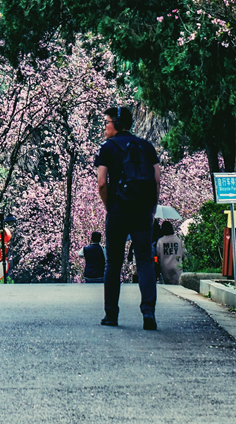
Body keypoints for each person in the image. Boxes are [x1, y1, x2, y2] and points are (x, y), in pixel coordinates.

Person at [94, 104, 159, 330]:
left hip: (118, 211)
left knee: (113, 263)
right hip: (142, 210)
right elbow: (156, 180)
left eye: (107, 122)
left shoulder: (107, 148)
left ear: (117, 125)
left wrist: (109, 205)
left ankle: (111, 314)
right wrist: (151, 209)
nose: (104, 127)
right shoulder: (147, 147)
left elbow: (102, 183)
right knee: (144, 260)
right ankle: (148, 311)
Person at [154, 218, 185, 285]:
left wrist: (156, 262)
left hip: (165, 268)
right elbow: (184, 254)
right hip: (177, 267)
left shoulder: (160, 241)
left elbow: (157, 255)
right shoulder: (179, 240)